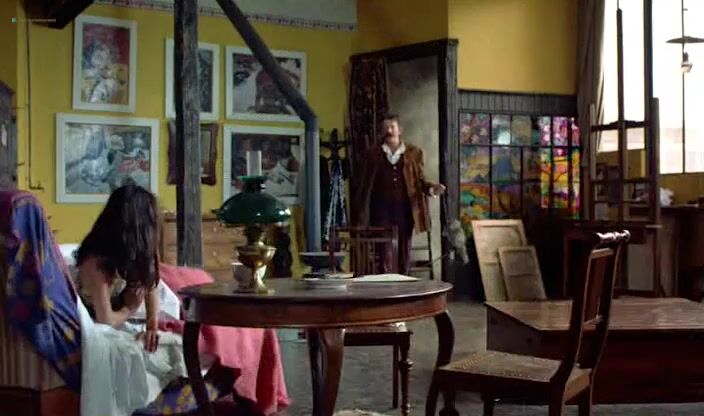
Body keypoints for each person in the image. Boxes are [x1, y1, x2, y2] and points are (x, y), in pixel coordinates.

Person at [75, 182, 160, 352]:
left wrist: (152, 326)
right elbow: (105, 321)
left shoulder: (138, 252)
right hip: (95, 324)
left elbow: (151, 284)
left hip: (118, 319)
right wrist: (129, 308)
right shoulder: (95, 262)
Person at [356, 113, 446, 274]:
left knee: (404, 249)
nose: (389, 131)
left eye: (392, 127)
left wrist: (432, 189)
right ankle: (387, 283)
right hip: (381, 210)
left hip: (405, 210)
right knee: (385, 251)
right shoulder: (373, 154)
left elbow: (419, 181)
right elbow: (365, 184)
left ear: (400, 130)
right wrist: (363, 211)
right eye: (386, 128)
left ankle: (404, 280)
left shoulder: (413, 153)